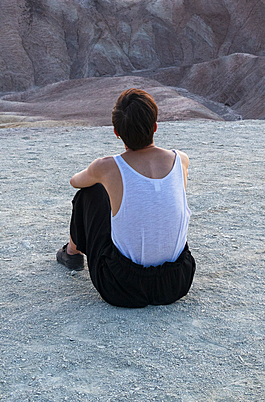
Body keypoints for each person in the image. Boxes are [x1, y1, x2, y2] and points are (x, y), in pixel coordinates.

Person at [56, 87, 196, 308]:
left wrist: (101, 176)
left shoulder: (107, 166)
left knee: (90, 192)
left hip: (121, 286)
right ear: (155, 127)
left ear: (116, 132)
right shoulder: (181, 160)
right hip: (176, 282)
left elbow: (75, 181)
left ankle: (71, 253)